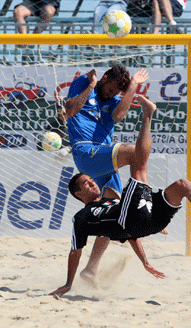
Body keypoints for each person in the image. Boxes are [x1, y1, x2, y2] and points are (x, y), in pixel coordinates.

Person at [50, 96, 191, 297]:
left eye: (91, 180)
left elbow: (131, 235)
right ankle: (148, 114)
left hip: (150, 223)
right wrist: (68, 284)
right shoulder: (81, 217)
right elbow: (75, 251)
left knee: (182, 185)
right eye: (87, 184)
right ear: (78, 194)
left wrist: (145, 262)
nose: (92, 183)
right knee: (137, 164)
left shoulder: (109, 201)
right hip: (132, 220)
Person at [65, 64, 149, 284]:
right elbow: (71, 110)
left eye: (117, 92)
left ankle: (91, 269)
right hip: (86, 152)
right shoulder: (85, 83)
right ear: (104, 78)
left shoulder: (114, 102)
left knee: (111, 214)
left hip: (103, 158)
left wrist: (132, 86)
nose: (112, 94)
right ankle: (145, 200)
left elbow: (120, 116)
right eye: (111, 89)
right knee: (133, 152)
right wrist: (91, 85)